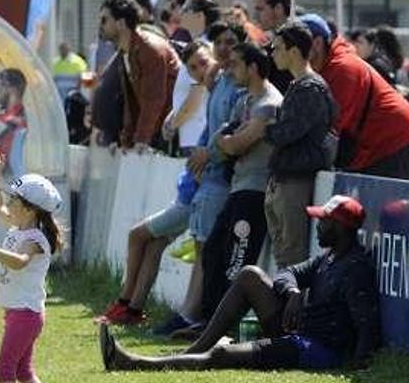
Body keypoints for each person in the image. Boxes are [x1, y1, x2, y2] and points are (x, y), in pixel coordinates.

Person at [100, 195, 380, 372]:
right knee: (249, 274)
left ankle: (135, 363)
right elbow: (287, 274)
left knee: (223, 353)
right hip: (299, 332)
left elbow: (367, 324)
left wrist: (356, 366)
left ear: (341, 228)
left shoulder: (355, 268)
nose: (317, 226)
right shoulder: (329, 257)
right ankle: (195, 350)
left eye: (323, 222)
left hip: (316, 349)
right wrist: (293, 292)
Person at [154, 25, 246, 338]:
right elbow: (211, 128)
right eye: (218, 41)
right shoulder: (219, 82)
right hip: (209, 176)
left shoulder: (238, 85)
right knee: (203, 247)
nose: (223, 47)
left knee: (206, 249)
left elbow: (231, 129)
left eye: (230, 42)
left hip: (221, 178)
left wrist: (207, 154)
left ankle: (193, 313)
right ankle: (194, 312)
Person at [0, 147, 63, 383]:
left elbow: (20, 261)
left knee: (5, 368)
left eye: (14, 200)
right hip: (19, 312)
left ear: (29, 209)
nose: (8, 203)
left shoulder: (35, 238)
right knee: (23, 370)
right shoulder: (19, 227)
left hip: (25, 314)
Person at [200, 43, 282, 321]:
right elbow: (223, 137)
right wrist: (229, 140)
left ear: (253, 68)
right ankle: (206, 320)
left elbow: (236, 144)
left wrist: (230, 141)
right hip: (238, 187)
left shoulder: (269, 104)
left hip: (256, 192)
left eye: (235, 64)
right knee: (213, 252)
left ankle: (223, 325)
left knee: (237, 260)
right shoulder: (245, 100)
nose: (229, 69)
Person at [254, 21, 337, 269]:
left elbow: (288, 133)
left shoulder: (310, 88)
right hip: (283, 179)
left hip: (296, 181)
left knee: (291, 256)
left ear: (293, 51)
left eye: (277, 48)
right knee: (283, 252)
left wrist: (261, 129)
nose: (272, 53)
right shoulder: (297, 85)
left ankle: (291, 307)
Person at [301, 14, 409, 180]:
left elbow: (333, 125)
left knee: (390, 205)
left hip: (393, 141)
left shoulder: (342, 68)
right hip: (376, 143)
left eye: (297, 44)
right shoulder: (327, 65)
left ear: (317, 43)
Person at [95, 168, 198, 325]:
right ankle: (133, 310)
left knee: (136, 235)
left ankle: (124, 301)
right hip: (186, 198)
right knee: (154, 245)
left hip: (189, 202)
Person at [99, 0, 178, 153]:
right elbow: (133, 103)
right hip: (157, 131)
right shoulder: (126, 51)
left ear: (121, 24)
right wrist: (126, 141)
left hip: (171, 132)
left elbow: (154, 99)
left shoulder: (150, 50)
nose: (100, 26)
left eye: (104, 20)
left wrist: (142, 139)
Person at [161, 39, 209, 156]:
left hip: (195, 137)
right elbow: (184, 98)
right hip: (189, 137)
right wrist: (172, 116)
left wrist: (173, 125)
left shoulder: (194, 65)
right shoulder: (187, 67)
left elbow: (195, 99)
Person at [250, 0, 295, 94]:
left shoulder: (296, 42)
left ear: (278, 9)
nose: (255, 16)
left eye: (260, 9)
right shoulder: (269, 45)